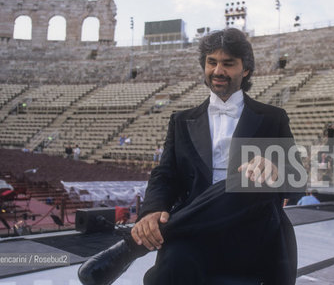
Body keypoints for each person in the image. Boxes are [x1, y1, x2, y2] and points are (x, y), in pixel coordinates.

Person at [78, 28, 301, 285]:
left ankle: (132, 245)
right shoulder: (181, 120)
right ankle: (146, 238)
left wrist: (273, 167)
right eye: (211, 62)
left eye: (228, 64)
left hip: (251, 228)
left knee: (249, 179)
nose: (218, 71)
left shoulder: (273, 117)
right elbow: (166, 174)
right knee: (169, 272)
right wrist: (152, 211)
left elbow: (295, 179)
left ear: (246, 70)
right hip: (194, 229)